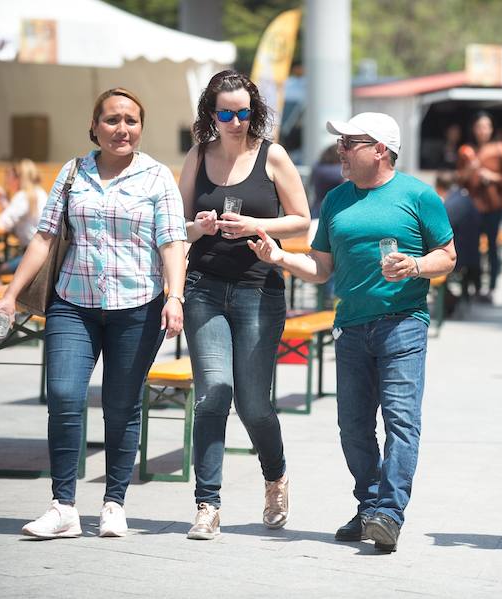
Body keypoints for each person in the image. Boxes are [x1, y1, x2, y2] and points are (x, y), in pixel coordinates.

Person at [248, 112, 455, 553]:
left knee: (401, 423)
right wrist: (279, 257)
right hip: (351, 328)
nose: (339, 150)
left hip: (403, 325)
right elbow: (322, 270)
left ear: (380, 148)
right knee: (353, 428)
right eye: (340, 142)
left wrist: (415, 266)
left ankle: (390, 514)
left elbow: (449, 256)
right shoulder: (337, 199)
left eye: (349, 142)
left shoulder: (418, 195)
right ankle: (370, 507)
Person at [0, 88, 187, 539]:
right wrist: (9, 295)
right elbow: (44, 237)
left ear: (141, 127)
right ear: (94, 126)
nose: (122, 128)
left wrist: (174, 297)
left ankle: (114, 503)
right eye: (112, 119)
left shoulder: (157, 177)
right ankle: (63, 506)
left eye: (131, 120)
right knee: (62, 394)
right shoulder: (73, 172)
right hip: (73, 302)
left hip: (138, 306)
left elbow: (173, 241)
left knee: (120, 406)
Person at [178, 70, 310, 541]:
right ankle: (207, 504)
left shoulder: (272, 154)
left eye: (243, 111)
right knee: (213, 392)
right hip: (204, 286)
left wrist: (254, 224)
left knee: (254, 404)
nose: (236, 121)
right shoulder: (198, 155)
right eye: (226, 113)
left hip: (259, 288)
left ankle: (275, 476)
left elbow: (301, 221)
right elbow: (178, 227)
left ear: (255, 109)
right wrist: (204, 225)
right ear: (211, 115)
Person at [457, 112, 502, 303]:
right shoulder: (467, 150)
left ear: (491, 129)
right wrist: (469, 170)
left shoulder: (500, 149)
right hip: (471, 207)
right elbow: (460, 180)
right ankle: (473, 286)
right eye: (479, 126)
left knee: (491, 247)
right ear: (474, 129)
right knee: (470, 247)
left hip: (493, 205)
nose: (483, 130)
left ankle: (491, 288)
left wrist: (491, 176)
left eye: (486, 126)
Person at [0, 159, 47, 285]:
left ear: (19, 178)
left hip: (33, 253)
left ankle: (5, 302)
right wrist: (3, 199)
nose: (8, 181)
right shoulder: (40, 193)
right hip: (45, 253)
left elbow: (4, 223)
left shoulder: (24, 196)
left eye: (10, 177)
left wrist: (3, 201)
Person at [436, 170, 480, 309]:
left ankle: (446, 304)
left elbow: (439, 231)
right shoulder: (463, 197)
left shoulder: (452, 204)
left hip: (460, 256)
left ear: (439, 188)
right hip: (471, 252)